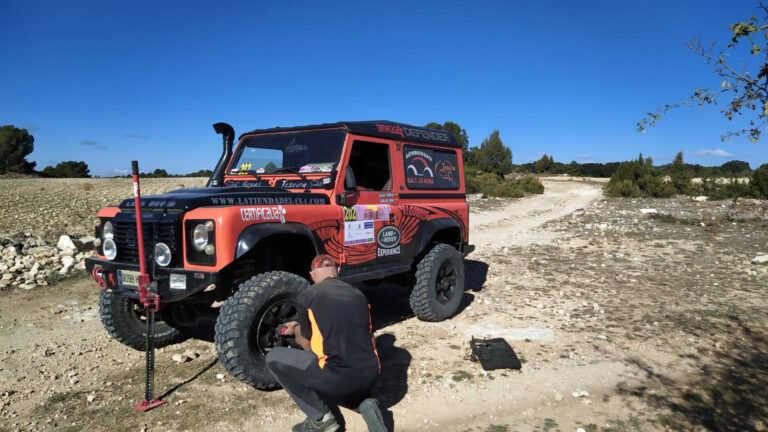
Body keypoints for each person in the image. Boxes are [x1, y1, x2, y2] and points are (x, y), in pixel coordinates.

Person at [266, 254, 387, 432]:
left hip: (337, 377)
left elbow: (307, 346)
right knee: (347, 364)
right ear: (338, 271)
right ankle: (364, 402)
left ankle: (321, 419)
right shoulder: (358, 294)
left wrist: (296, 331)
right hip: (370, 375)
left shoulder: (308, 296)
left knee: (273, 357)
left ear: (312, 275)